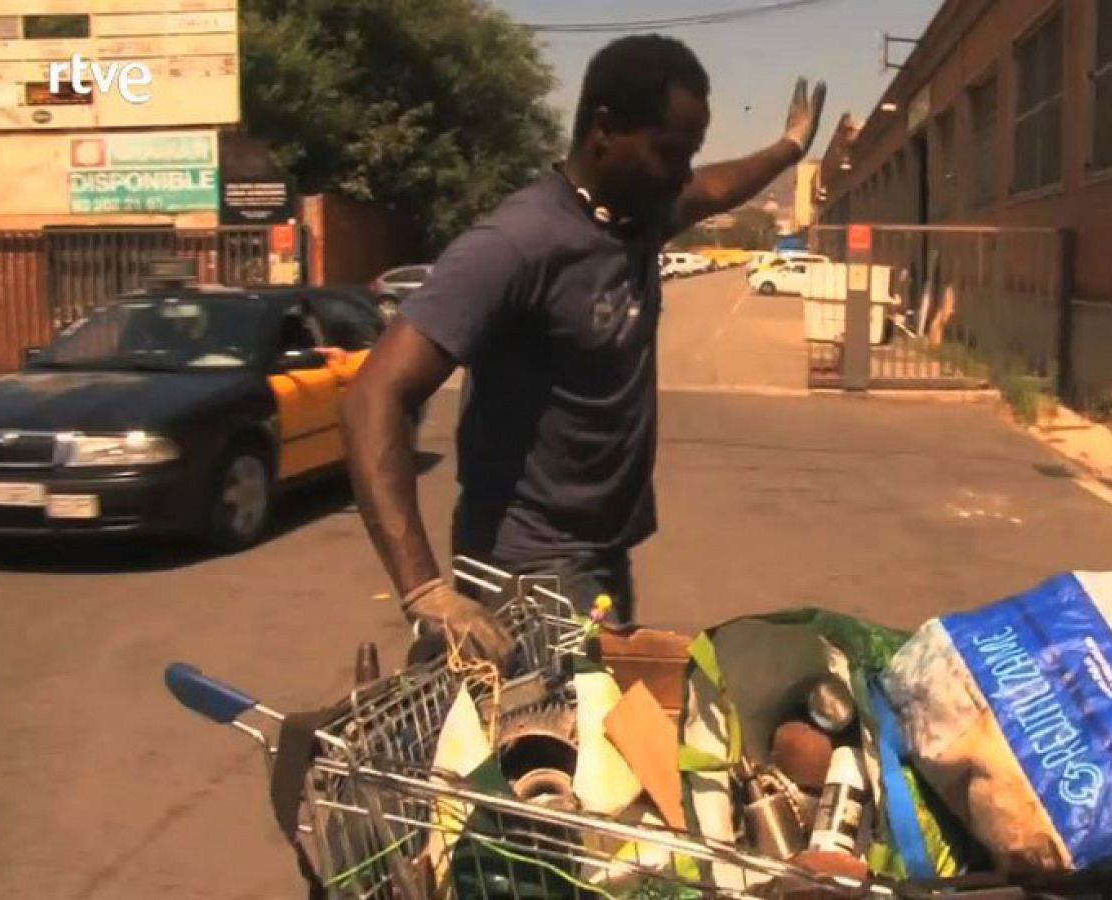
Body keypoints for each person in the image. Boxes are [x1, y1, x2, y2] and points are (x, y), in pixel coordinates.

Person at [342, 34, 826, 665]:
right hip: (528, 569)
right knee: (564, 754)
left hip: (602, 552)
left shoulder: (637, 213)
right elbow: (374, 393)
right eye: (669, 151)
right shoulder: (517, 245)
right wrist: (424, 590)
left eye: (690, 153)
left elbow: (714, 188)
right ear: (604, 130)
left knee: (602, 738)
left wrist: (789, 148)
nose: (682, 172)